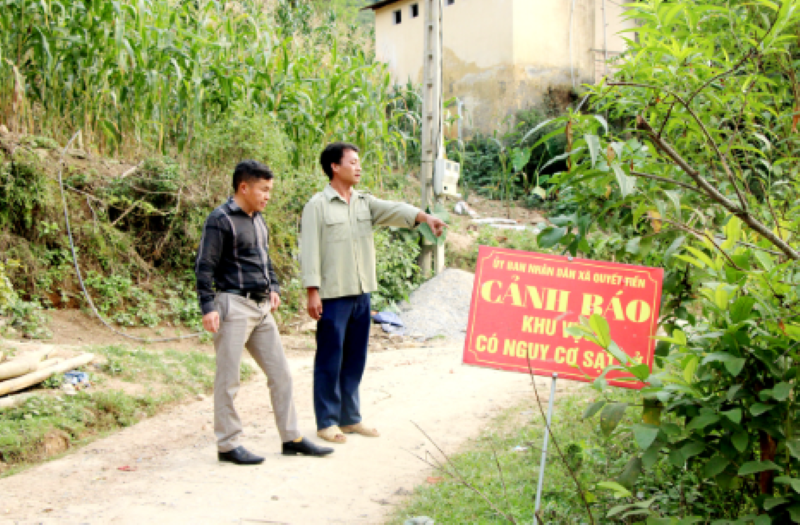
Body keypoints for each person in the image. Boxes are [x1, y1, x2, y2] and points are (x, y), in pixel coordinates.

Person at [301, 142, 446, 444]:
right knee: (330, 358)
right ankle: (326, 421)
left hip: (361, 293)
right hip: (332, 294)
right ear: (334, 167)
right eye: (352, 162)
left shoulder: (364, 203)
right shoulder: (317, 206)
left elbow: (395, 209)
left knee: (355, 358)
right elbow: (310, 251)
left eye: (358, 161)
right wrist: (312, 292)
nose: (358, 167)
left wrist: (426, 217)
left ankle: (350, 418)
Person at [196, 160, 333, 464]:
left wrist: (274, 286)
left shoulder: (258, 220)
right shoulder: (220, 220)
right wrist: (208, 306)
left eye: (270, 190)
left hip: (261, 309)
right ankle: (228, 445)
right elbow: (205, 265)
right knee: (228, 379)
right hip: (232, 306)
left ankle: (291, 437)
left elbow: (265, 259)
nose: (268, 195)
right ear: (243, 187)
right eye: (264, 189)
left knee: (281, 374)